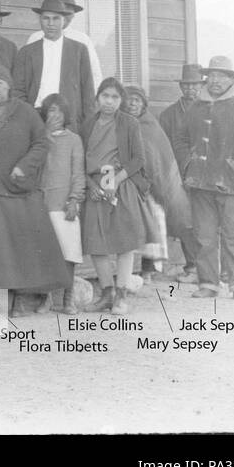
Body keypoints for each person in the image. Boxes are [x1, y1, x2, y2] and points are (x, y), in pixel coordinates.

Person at [0, 64, 69, 316]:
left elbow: (41, 142)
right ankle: (1, 297)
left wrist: (24, 166)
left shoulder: (24, 112)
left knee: (21, 245)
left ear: (8, 86)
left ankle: (23, 299)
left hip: (16, 189)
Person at [174, 56, 234, 301]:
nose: (215, 81)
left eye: (221, 76)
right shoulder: (194, 109)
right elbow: (180, 140)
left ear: (231, 80)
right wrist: (189, 164)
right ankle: (208, 284)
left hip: (233, 185)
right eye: (211, 75)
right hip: (201, 185)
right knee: (204, 236)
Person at [80, 78, 151, 316]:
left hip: (121, 185)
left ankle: (121, 295)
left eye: (114, 97)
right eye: (105, 96)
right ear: (97, 98)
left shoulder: (129, 123)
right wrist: (90, 184)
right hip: (95, 188)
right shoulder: (88, 124)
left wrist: (116, 180)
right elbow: (82, 161)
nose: (109, 102)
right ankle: (106, 293)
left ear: (120, 101)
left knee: (124, 241)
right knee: (96, 242)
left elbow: (138, 159)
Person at [124, 85, 190, 283]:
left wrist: (149, 184)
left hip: (149, 184)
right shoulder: (121, 124)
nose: (133, 103)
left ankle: (148, 268)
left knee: (152, 218)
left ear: (144, 104)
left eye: (137, 100)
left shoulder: (149, 125)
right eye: (129, 99)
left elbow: (155, 159)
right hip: (125, 181)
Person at [12, 0, 97, 129]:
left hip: (68, 119)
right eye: (46, 18)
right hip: (35, 117)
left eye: (56, 18)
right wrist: (28, 117)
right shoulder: (26, 52)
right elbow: (17, 90)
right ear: (40, 19)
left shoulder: (79, 50)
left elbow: (88, 92)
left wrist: (87, 125)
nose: (50, 24)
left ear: (64, 20)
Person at [158, 63, 205, 282]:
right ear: (181, 87)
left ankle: (217, 268)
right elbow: (162, 147)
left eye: (195, 85)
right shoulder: (168, 115)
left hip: (206, 174)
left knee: (210, 220)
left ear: (201, 86)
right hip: (178, 174)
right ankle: (193, 267)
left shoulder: (209, 109)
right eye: (186, 85)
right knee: (186, 220)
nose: (191, 89)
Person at [39, 93, 85, 314]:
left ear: (66, 114)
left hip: (65, 203)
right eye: (50, 110)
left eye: (59, 110)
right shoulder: (39, 138)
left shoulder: (73, 139)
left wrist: (75, 198)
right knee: (47, 251)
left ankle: (68, 299)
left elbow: (78, 172)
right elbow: (37, 166)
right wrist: (45, 136)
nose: (55, 115)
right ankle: (46, 298)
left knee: (69, 251)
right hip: (43, 203)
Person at [25, 0, 104, 87]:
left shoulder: (82, 40)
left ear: (74, 15)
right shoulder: (36, 37)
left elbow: (95, 74)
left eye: (68, 13)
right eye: (61, 12)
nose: (65, 17)